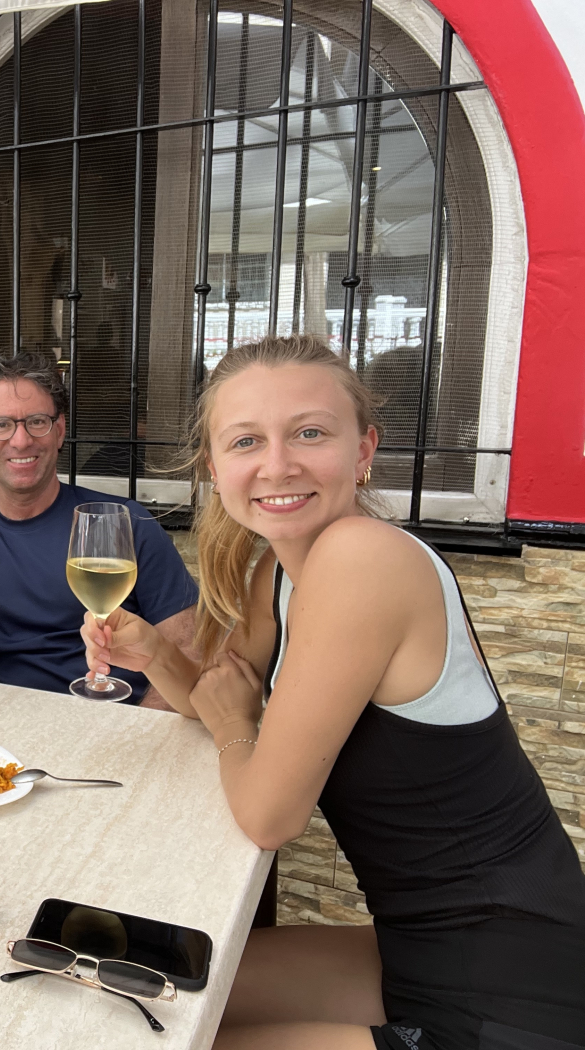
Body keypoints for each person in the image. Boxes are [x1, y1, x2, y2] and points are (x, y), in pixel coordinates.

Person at [81, 335, 585, 1049]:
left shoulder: (362, 559)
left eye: (310, 433)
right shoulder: (281, 571)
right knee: (118, 981)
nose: (277, 465)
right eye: (247, 441)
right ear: (215, 469)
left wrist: (234, 725)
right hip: (421, 946)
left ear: (364, 448)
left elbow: (268, 815)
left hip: (509, 993)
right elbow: (219, 696)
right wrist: (156, 654)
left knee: (144, 1036)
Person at [0, 350, 199, 703]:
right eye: (1, 424)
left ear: (59, 431)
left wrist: (135, 728)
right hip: (15, 720)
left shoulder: (125, 524)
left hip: (121, 714)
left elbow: (190, 649)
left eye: (36, 421)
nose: (21, 441)